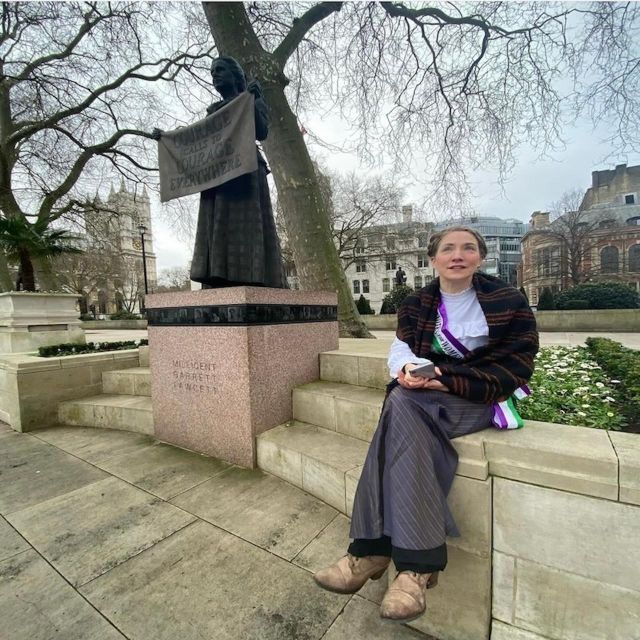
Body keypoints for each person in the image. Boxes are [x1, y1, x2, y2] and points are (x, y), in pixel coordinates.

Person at [313, 226, 538, 623]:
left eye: (468, 248)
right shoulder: (418, 302)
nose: (458, 254)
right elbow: (401, 347)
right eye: (448, 248)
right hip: (426, 396)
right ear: (433, 258)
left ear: (480, 258)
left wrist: (446, 380)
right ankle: (415, 569)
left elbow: (517, 366)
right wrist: (406, 370)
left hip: (481, 397)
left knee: (400, 407)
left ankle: (371, 552)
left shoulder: (508, 300)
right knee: (403, 400)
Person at [153, 57, 287, 289]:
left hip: (246, 173)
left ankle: (254, 276)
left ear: (236, 75)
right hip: (217, 176)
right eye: (212, 71)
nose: (215, 75)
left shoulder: (251, 98)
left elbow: (262, 132)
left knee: (247, 228)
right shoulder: (212, 112)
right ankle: (219, 277)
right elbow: (196, 143)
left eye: (220, 70)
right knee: (219, 227)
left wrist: (254, 99)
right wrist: (166, 139)